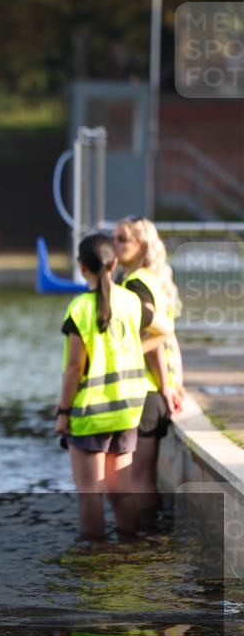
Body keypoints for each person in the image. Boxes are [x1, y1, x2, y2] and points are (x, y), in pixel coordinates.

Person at [55, 233, 168, 541]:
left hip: (91, 412)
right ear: (114, 264)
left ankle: (95, 558)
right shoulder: (132, 302)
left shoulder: (79, 309)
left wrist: (63, 412)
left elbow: (74, 368)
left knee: (90, 493)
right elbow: (165, 330)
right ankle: (130, 551)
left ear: (82, 267)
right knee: (121, 492)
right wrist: (136, 348)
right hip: (127, 411)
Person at [113, 217, 183, 528]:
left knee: (138, 479)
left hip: (144, 391)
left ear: (140, 246)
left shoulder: (135, 285)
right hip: (155, 389)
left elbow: (159, 336)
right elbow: (170, 337)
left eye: (121, 240)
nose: (115, 245)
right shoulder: (153, 279)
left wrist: (165, 384)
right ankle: (153, 540)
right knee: (145, 478)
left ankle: (141, 543)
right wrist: (173, 381)